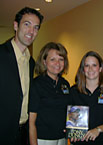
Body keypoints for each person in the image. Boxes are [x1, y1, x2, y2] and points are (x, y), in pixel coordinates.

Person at [0, 7, 43, 145]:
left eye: (36, 27)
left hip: (22, 133)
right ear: (15, 25)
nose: (31, 31)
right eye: (27, 24)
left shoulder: (31, 62)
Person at [70, 51, 103, 145]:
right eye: (87, 65)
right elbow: (70, 117)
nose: (90, 69)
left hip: (101, 141)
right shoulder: (74, 91)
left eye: (94, 65)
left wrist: (98, 130)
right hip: (79, 142)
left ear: (100, 68)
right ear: (83, 69)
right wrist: (70, 129)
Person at [29, 42, 70, 145]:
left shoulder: (65, 84)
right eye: (52, 59)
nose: (58, 63)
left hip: (62, 139)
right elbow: (31, 122)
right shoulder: (36, 84)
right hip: (43, 139)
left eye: (61, 59)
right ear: (44, 62)